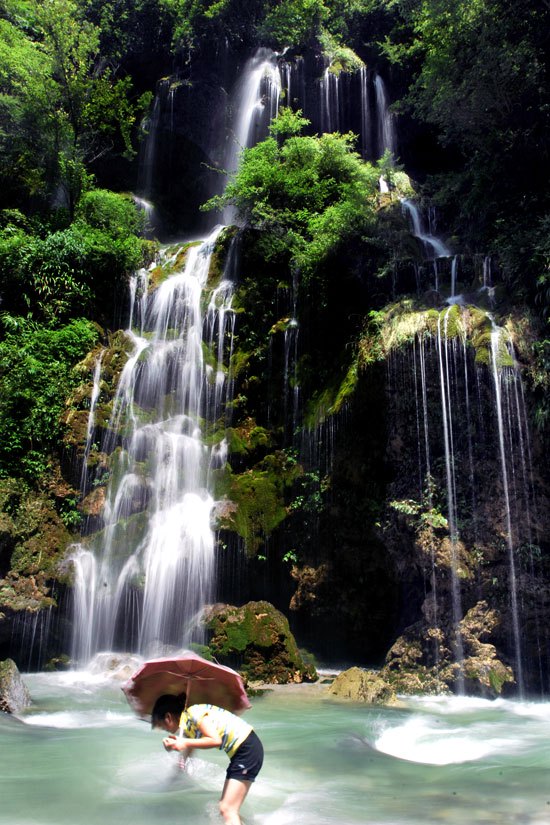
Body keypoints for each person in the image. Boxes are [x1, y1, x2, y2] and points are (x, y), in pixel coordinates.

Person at [151, 693, 264, 825]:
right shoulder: (188, 722)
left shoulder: (194, 713)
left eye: (162, 726)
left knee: (227, 809)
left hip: (246, 749)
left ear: (168, 717)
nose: (166, 730)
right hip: (242, 752)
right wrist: (179, 766)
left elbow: (215, 740)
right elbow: (190, 746)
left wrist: (185, 742)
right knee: (226, 808)